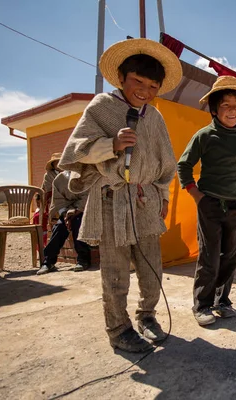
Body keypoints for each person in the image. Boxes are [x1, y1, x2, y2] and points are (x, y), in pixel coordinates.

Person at [58, 38, 182, 352]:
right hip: (112, 200)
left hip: (146, 200)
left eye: (152, 85)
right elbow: (76, 150)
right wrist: (110, 144)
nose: (144, 90)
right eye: (137, 81)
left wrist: (163, 197)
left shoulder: (154, 117)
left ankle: (147, 315)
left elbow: (166, 162)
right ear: (122, 78)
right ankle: (118, 329)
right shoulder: (102, 106)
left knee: (152, 266)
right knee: (115, 271)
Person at [177, 76, 236, 326]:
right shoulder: (204, 135)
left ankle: (223, 301)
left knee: (230, 255)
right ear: (214, 109)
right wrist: (197, 195)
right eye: (225, 105)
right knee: (210, 256)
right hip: (210, 204)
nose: (232, 110)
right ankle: (202, 305)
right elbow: (184, 165)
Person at [37, 170, 91, 275]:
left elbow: (87, 197)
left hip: (82, 210)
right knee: (59, 227)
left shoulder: (85, 175)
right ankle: (48, 261)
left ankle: (83, 260)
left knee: (78, 224)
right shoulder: (60, 178)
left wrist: (75, 211)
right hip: (66, 211)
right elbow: (58, 200)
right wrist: (65, 214)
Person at [40, 153, 63, 245]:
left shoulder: (70, 173)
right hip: (54, 200)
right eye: (56, 162)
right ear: (53, 165)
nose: (58, 164)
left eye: (60, 161)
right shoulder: (49, 175)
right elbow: (48, 190)